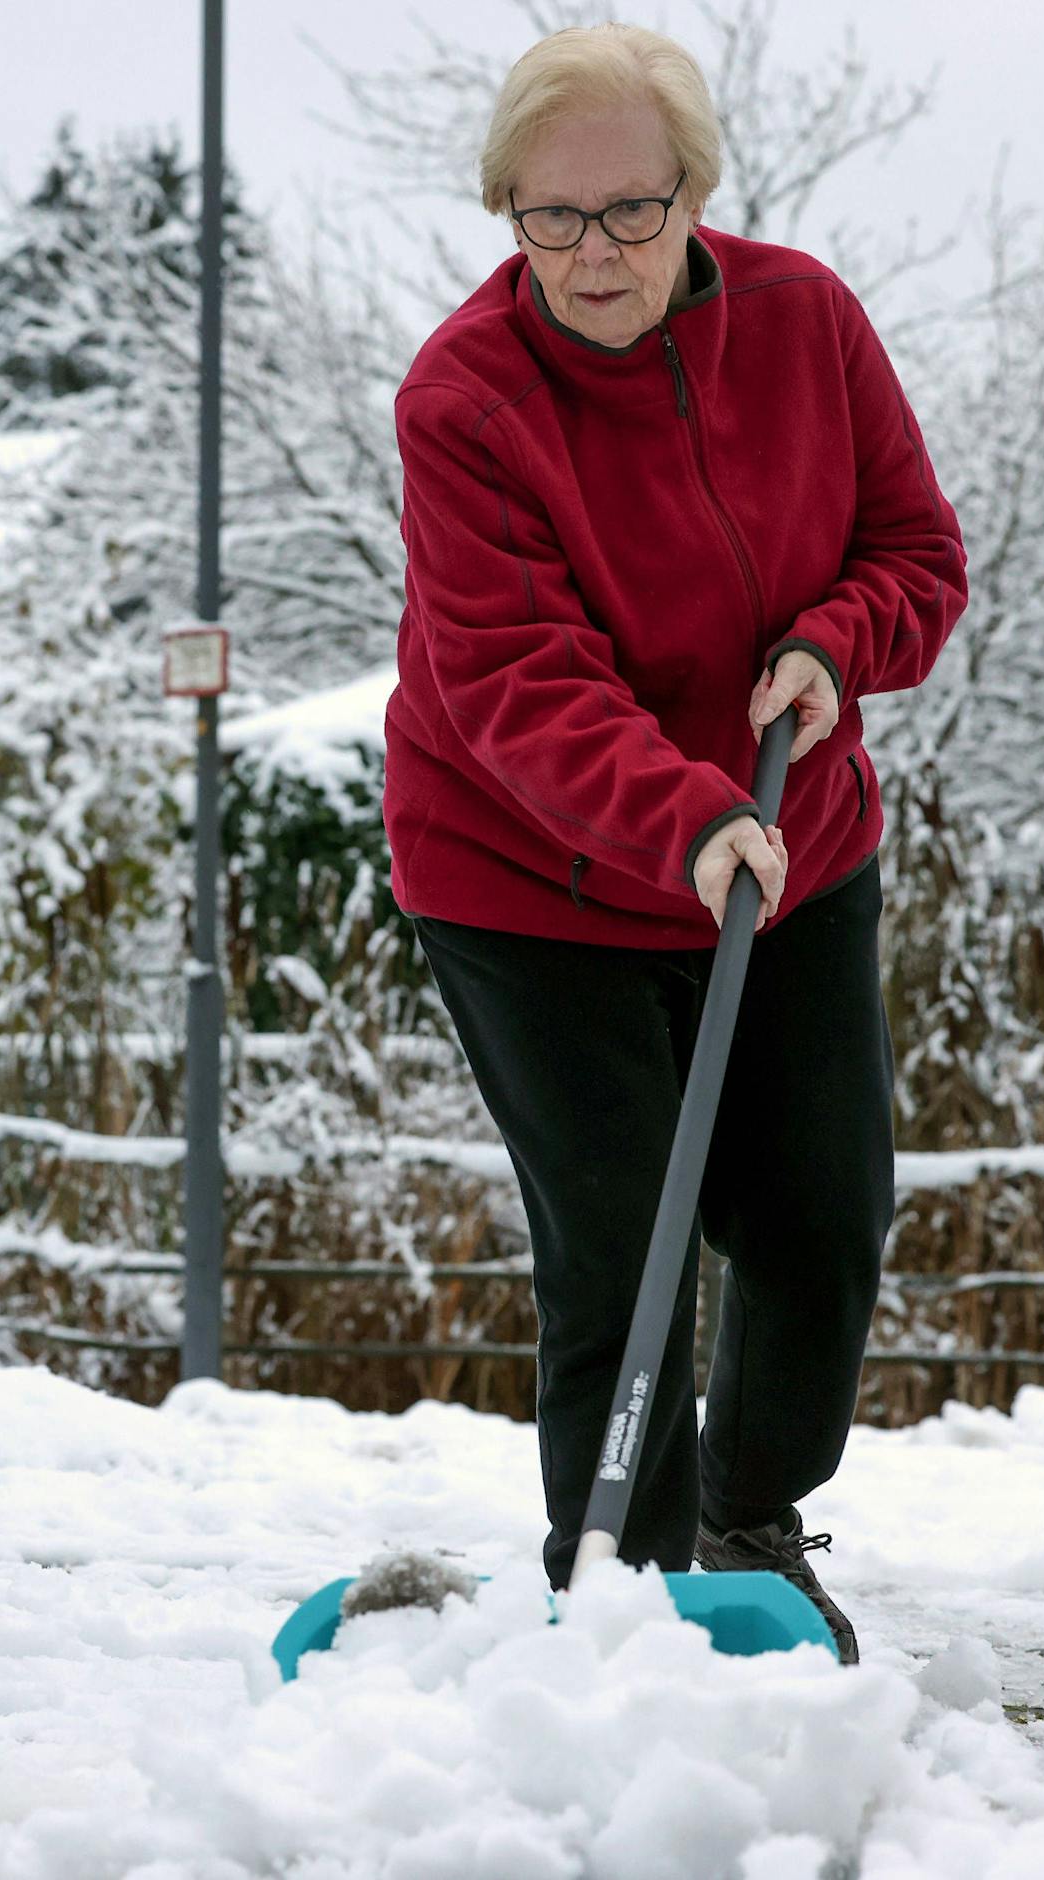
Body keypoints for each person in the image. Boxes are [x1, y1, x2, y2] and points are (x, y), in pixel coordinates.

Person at [383, 22, 969, 1665]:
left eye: (630, 212)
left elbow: (917, 550)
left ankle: (749, 1527)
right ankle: (628, 1610)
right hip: (530, 879)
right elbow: (511, 678)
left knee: (819, 1209)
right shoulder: (466, 399)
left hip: (795, 845)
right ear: (508, 213)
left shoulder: (805, 324)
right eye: (548, 220)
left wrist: (839, 643)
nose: (592, 255)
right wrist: (689, 810)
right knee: (624, 1241)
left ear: (696, 195)